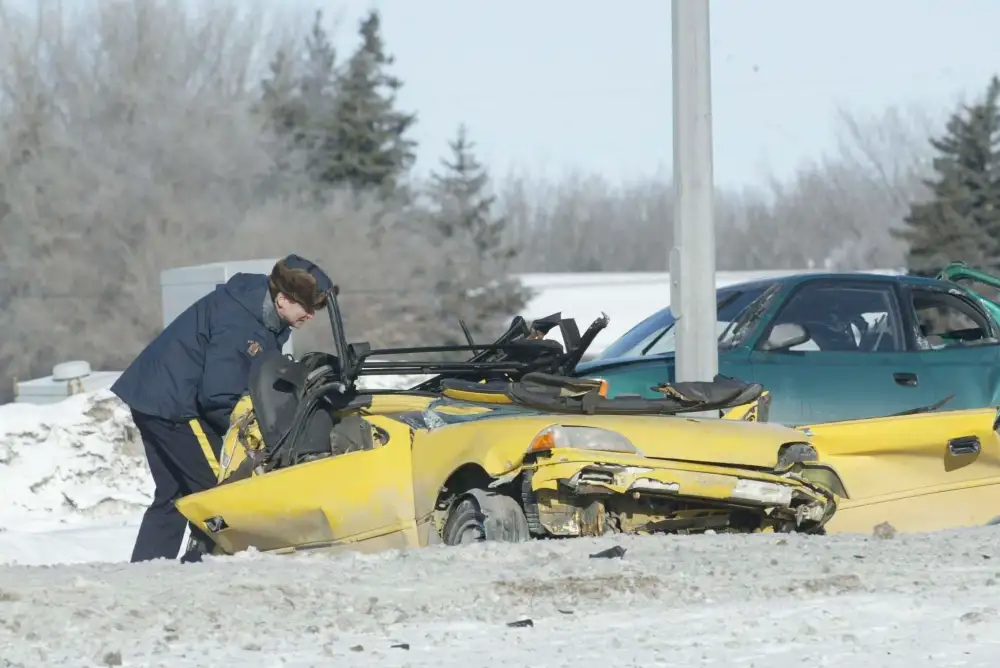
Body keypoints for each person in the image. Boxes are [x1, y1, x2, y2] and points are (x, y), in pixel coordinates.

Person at [112, 254, 334, 563]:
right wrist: (256, 434)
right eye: (307, 308)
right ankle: (207, 567)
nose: (311, 315)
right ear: (283, 299)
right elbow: (219, 395)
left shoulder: (264, 313)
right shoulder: (240, 321)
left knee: (174, 495)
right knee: (221, 492)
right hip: (175, 405)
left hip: (154, 395)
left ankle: (146, 571)